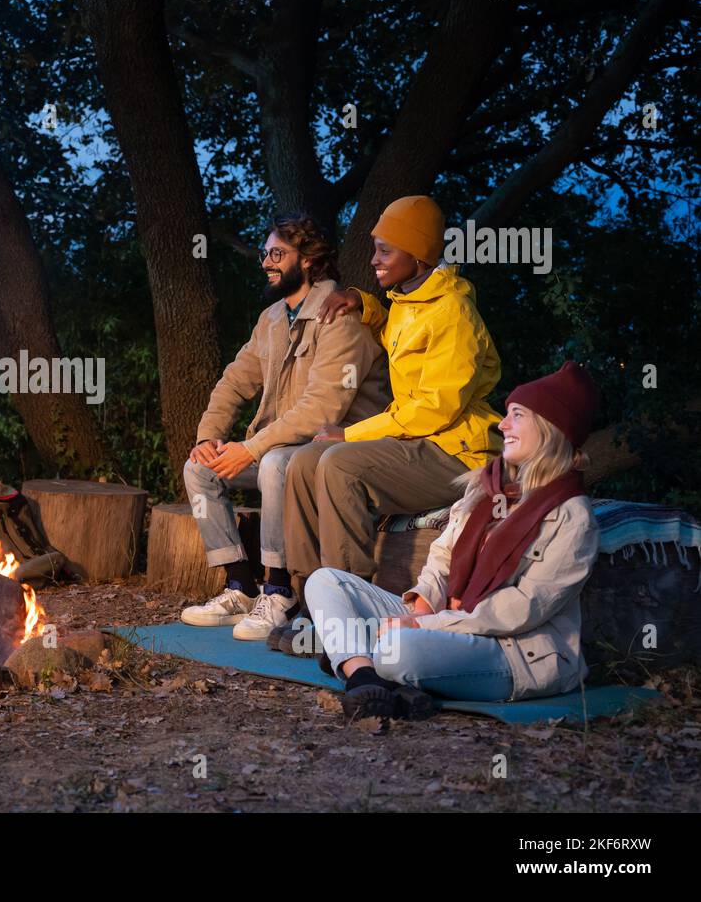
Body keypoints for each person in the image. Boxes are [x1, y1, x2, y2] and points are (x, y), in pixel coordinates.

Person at [304, 361, 600, 720]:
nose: (502, 425)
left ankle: (357, 656)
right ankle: (365, 678)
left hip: (512, 651)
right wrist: (423, 605)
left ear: (550, 428)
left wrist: (426, 625)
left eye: (516, 415)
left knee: (399, 647)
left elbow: (525, 607)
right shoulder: (485, 489)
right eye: (506, 415)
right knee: (326, 580)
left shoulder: (572, 516)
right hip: (444, 621)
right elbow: (442, 559)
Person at [281, 196, 502, 615]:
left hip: (455, 451)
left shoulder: (454, 313)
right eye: (375, 248)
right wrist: (365, 305)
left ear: (418, 256)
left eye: (386, 250)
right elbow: (400, 333)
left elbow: (436, 409)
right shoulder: (407, 300)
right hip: (417, 442)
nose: (375, 260)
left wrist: (349, 434)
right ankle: (309, 599)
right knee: (303, 462)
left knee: (340, 463)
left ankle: (349, 607)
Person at [179, 214, 389, 639]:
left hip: (335, 451)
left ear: (309, 259)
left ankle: (279, 591)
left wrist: (251, 448)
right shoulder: (273, 318)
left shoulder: (341, 317)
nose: (266, 263)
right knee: (199, 469)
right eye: (264, 253)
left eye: (277, 253)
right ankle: (240, 585)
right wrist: (207, 437)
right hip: (278, 446)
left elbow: (322, 410)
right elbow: (234, 381)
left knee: (275, 463)